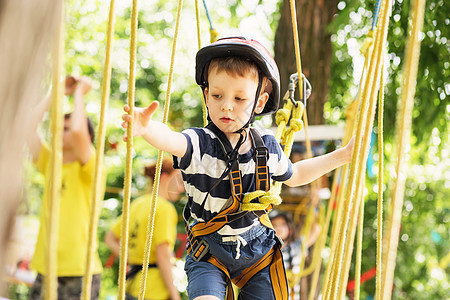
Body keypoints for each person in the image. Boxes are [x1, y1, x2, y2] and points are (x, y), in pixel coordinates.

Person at [121, 37, 355, 300]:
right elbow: (171, 139)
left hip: (257, 252)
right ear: (206, 95)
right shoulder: (199, 143)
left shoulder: (265, 147)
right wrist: (146, 129)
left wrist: (343, 155)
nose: (227, 106)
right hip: (208, 252)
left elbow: (296, 174)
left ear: (259, 102)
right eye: (217, 95)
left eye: (239, 98)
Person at [27, 76, 105, 299]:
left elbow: (80, 130)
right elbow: (26, 127)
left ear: (88, 138)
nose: (60, 131)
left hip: (80, 271)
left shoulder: (92, 166)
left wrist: (80, 92)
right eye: (59, 127)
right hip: (46, 269)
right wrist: (56, 92)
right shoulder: (50, 163)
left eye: (67, 128)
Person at [104, 159, 184, 300]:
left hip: (131, 285)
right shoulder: (164, 208)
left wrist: (130, 257)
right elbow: (163, 255)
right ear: (164, 178)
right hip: (153, 290)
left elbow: (109, 238)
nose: (181, 188)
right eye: (178, 181)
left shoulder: (138, 204)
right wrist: (175, 295)